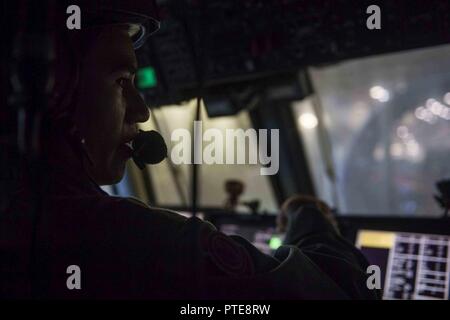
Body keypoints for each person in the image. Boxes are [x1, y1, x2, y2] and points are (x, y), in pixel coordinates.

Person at [0, 1, 378, 299]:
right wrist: (309, 216)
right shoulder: (126, 239)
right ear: (49, 88)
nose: (141, 110)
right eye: (121, 80)